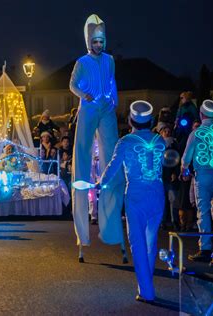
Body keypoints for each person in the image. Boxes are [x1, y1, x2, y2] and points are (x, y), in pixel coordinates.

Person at [69, 14, 126, 262]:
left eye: (102, 41)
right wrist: (84, 95)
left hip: (106, 110)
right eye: (95, 41)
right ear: (88, 41)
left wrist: (115, 98)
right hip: (89, 108)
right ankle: (83, 234)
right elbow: (71, 84)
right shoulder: (81, 62)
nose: (99, 45)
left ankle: (111, 228)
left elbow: (112, 81)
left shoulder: (110, 60)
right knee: (81, 157)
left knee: (112, 158)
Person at [97, 101, 166, 303]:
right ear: (151, 120)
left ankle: (147, 292)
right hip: (157, 194)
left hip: (136, 195)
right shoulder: (160, 141)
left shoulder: (125, 141)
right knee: (151, 242)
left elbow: (112, 168)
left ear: (130, 120)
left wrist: (100, 184)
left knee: (137, 243)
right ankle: (147, 285)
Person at [181, 100, 213, 262]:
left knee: (203, 211)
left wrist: (184, 169)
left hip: (203, 175)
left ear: (201, 114)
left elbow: (187, 156)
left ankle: (205, 248)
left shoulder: (197, 133)